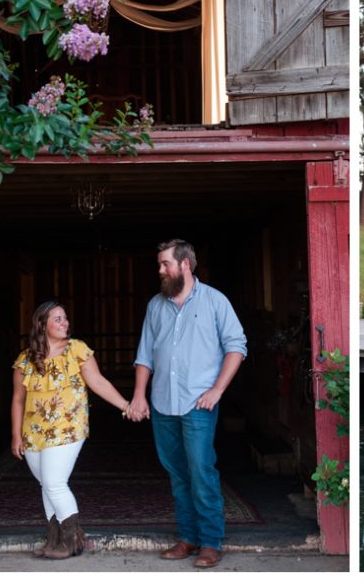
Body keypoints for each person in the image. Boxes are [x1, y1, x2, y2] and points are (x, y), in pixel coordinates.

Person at [126, 239, 247, 569]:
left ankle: (210, 542)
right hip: (163, 403)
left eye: (165, 263)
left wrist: (218, 390)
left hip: (199, 404)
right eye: (160, 264)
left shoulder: (215, 301)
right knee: (177, 474)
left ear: (185, 265)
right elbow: (145, 355)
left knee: (201, 470)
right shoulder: (156, 305)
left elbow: (237, 347)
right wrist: (139, 395)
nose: (160, 270)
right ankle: (188, 537)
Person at [11, 300, 134, 560]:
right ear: (41, 324)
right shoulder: (25, 359)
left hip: (68, 427)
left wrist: (125, 405)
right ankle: (54, 540)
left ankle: (71, 540)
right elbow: (18, 400)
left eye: (65, 318)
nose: (64, 322)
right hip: (34, 432)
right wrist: (15, 435)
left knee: (54, 482)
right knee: (47, 483)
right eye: (57, 319)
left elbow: (98, 382)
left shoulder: (76, 350)